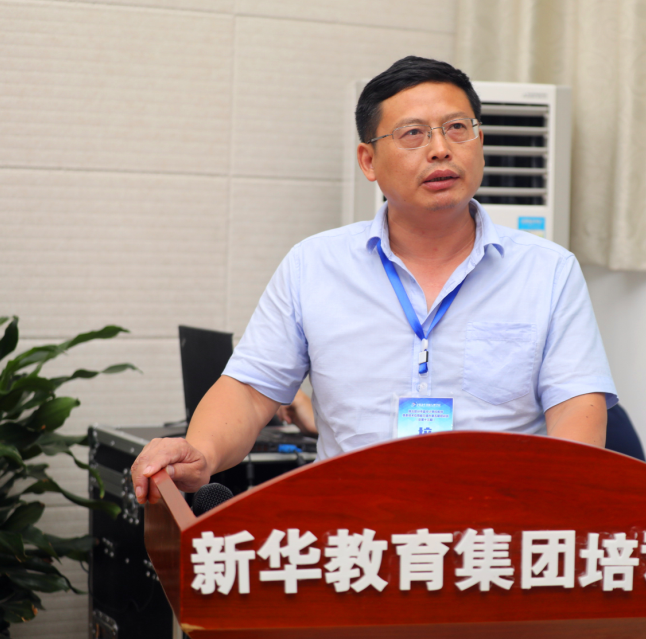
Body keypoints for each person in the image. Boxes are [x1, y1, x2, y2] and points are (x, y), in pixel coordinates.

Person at [131, 56, 617, 505]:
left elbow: (577, 407)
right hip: (354, 535)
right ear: (368, 161)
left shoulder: (548, 270)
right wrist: (200, 452)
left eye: (457, 128)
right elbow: (251, 390)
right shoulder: (314, 265)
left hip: (495, 534)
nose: (441, 149)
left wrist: (558, 509)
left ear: (480, 142)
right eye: (413, 134)